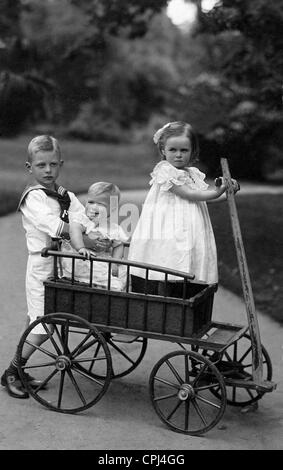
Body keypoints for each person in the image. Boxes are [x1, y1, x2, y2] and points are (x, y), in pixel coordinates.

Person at [0, 135, 94, 399]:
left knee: (36, 320)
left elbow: (83, 219)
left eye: (53, 165)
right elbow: (54, 226)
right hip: (42, 268)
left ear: (61, 164)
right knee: (44, 326)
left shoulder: (66, 196)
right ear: (29, 167)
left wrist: (95, 232)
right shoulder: (33, 199)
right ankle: (12, 372)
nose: (48, 171)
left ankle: (19, 369)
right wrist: (82, 236)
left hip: (64, 266)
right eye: (41, 165)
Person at [128, 121, 239, 296]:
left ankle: (182, 298)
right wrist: (218, 191)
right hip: (169, 227)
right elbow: (190, 195)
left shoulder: (192, 173)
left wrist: (229, 192)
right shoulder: (165, 171)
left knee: (188, 257)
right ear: (163, 150)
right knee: (168, 258)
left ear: (192, 151)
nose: (178, 155)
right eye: (173, 150)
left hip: (191, 227)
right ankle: (165, 296)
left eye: (184, 150)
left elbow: (204, 198)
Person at [61, 182, 128, 291]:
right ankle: (108, 287)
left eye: (101, 204)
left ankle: (112, 289)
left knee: (124, 273)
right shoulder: (83, 220)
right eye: (91, 202)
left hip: (101, 263)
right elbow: (74, 230)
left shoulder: (113, 228)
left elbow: (119, 245)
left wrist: (115, 263)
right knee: (113, 283)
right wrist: (80, 247)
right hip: (82, 262)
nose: (94, 207)